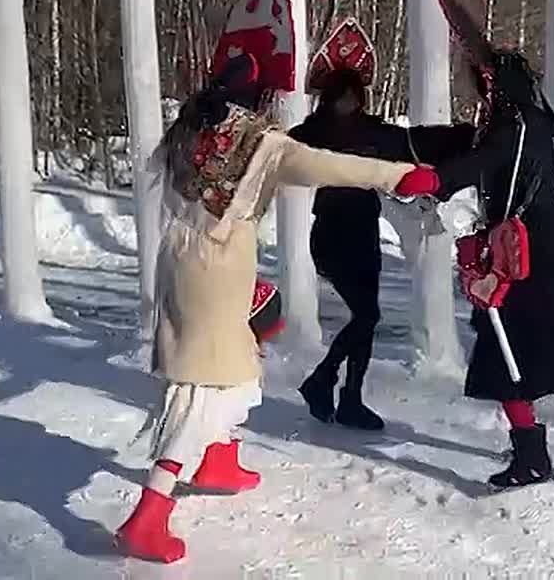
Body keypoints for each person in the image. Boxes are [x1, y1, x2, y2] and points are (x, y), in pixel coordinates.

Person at [113, 55, 437, 563]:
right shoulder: (262, 145)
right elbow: (329, 164)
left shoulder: (190, 124)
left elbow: (166, 176)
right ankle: (148, 515)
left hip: (180, 257)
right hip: (218, 267)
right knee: (206, 388)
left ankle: (219, 459)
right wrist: (399, 177)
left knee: (241, 358)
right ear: (260, 99)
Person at [409, 47, 554, 490]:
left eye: (478, 80)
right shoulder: (532, 117)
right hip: (543, 239)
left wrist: (438, 180)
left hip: (525, 246)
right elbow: (475, 152)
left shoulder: (515, 124)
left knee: (503, 347)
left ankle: (532, 458)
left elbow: (484, 159)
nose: (475, 89)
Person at [289, 67, 471, 430]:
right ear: (330, 98)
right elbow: (277, 151)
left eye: (354, 96)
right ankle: (323, 381)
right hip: (331, 234)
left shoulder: (371, 130)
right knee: (367, 316)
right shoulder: (311, 132)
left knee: (366, 317)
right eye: (343, 96)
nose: (349, 103)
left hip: (363, 232)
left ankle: (350, 397)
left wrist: (464, 136)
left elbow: (413, 141)